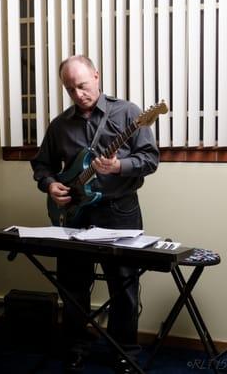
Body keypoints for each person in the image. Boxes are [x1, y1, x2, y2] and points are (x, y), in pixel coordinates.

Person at [31, 55, 159, 373]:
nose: (78, 94)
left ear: (97, 76)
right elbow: (41, 164)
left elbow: (150, 159)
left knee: (124, 285)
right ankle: (76, 344)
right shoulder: (60, 125)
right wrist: (50, 185)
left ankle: (124, 350)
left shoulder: (129, 113)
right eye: (70, 89)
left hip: (120, 211)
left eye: (83, 86)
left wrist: (119, 165)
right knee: (72, 284)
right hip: (76, 216)